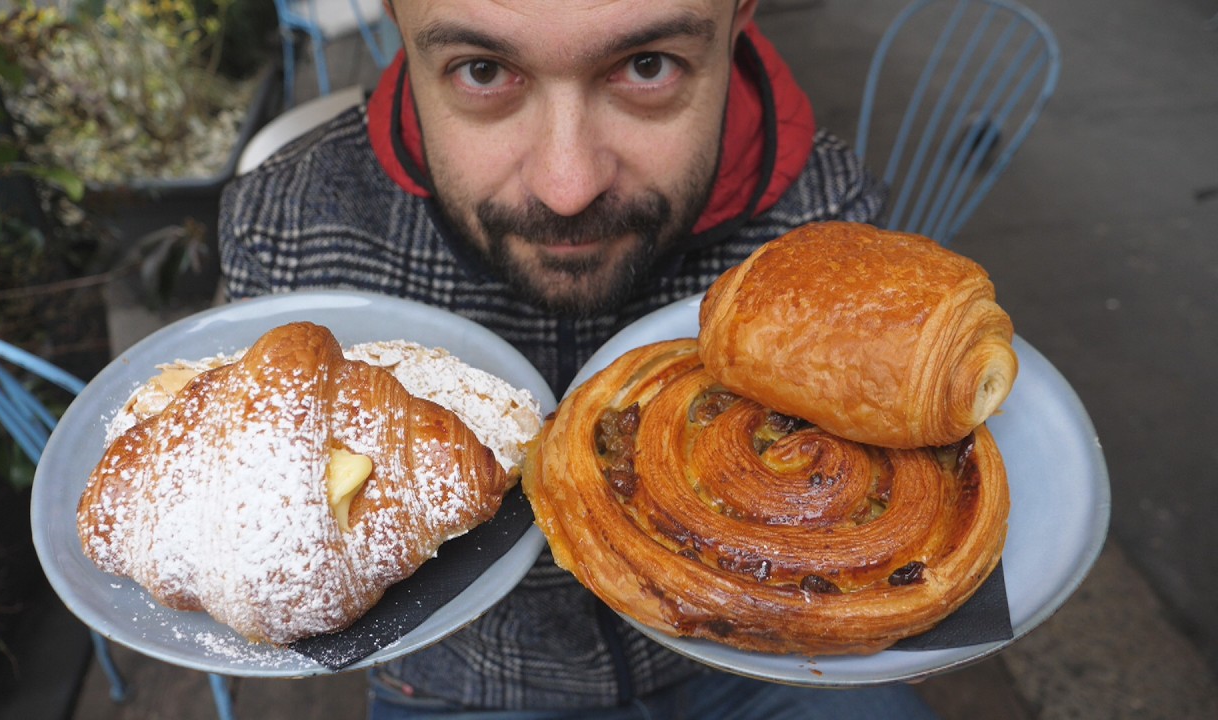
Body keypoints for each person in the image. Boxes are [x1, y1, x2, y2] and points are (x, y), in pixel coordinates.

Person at [219, 1, 939, 718]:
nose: (567, 189)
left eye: (648, 66)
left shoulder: (829, 231)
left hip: (774, 657)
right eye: (482, 70)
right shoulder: (287, 239)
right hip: (464, 684)